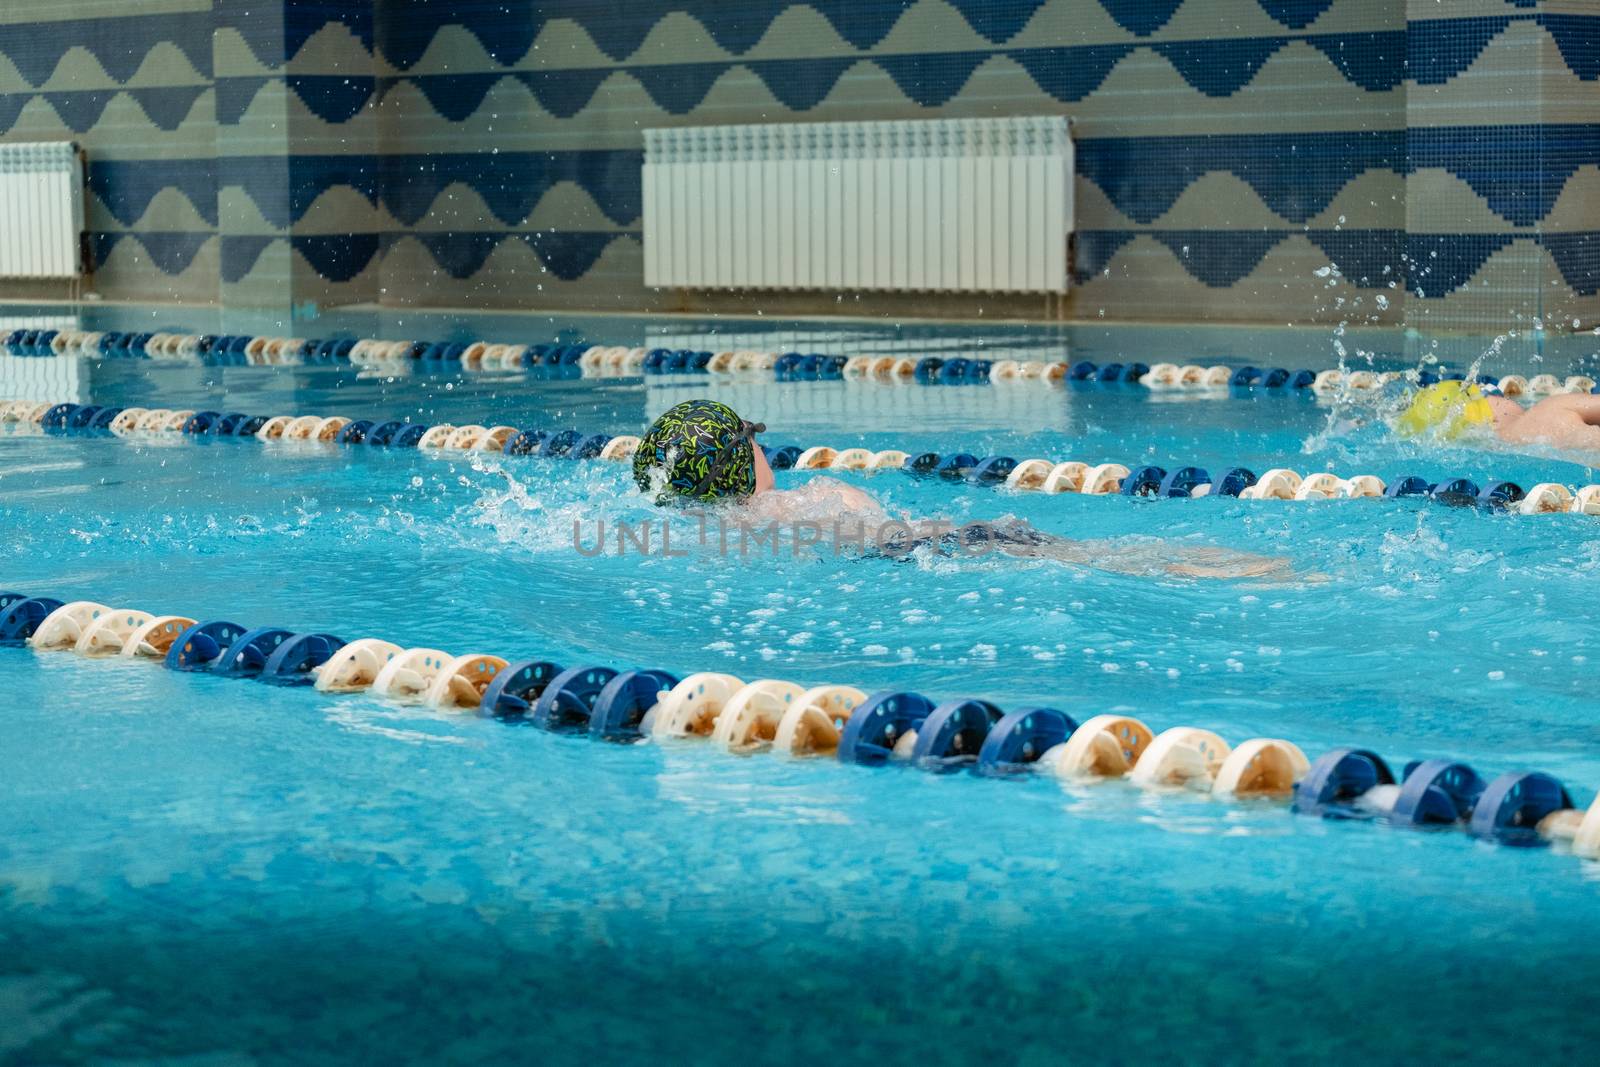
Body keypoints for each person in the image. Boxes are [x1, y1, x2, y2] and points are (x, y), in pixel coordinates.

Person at [631, 399, 1297, 580]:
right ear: (741, 461)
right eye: (752, 440)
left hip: (890, 561)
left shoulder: (709, 530)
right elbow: (873, 514)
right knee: (1096, 554)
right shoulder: (817, 488)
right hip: (930, 544)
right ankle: (1240, 569)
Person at [1397, 380, 1600, 452]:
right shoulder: (1551, 408)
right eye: (1486, 394)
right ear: (1490, 418)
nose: (1497, 393)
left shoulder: (1509, 446)